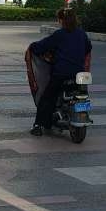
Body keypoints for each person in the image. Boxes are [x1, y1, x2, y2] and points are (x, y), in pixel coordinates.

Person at [27, 7, 92, 136]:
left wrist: (32, 46)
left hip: (61, 74)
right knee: (82, 94)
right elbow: (88, 48)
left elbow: (41, 46)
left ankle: (38, 125)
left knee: (47, 98)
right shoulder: (82, 34)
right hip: (79, 74)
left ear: (61, 20)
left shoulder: (59, 34)